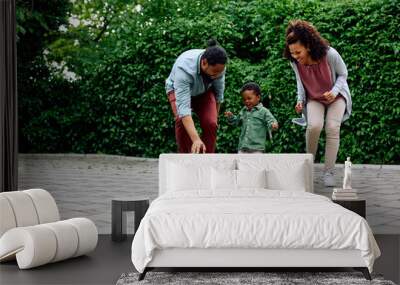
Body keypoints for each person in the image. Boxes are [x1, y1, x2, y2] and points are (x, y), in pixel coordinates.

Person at [283, 20, 352, 187]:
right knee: (314, 126)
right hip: (314, 97)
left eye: (298, 52)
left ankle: (328, 172)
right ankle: (308, 168)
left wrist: (334, 92)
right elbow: (300, 82)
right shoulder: (294, 62)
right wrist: (300, 100)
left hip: (336, 96)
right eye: (292, 53)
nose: (295, 56)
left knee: (332, 127)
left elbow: (343, 74)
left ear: (308, 45)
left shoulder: (329, 54)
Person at [165, 39, 227, 153]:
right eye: (215, 72)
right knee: (181, 120)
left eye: (220, 72)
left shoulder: (219, 68)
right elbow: (184, 110)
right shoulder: (184, 68)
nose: (218, 75)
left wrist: (213, 121)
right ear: (204, 63)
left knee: (211, 123)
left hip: (204, 91)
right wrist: (196, 139)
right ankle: (186, 157)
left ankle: (207, 157)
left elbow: (219, 96)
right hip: (176, 89)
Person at [224, 82, 278, 153]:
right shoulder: (244, 110)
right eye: (244, 99)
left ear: (258, 97)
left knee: (255, 164)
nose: (246, 101)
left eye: (249, 98)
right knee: (241, 163)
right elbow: (236, 122)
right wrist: (231, 117)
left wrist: (273, 125)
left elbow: (271, 120)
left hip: (257, 149)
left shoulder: (264, 111)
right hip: (242, 148)